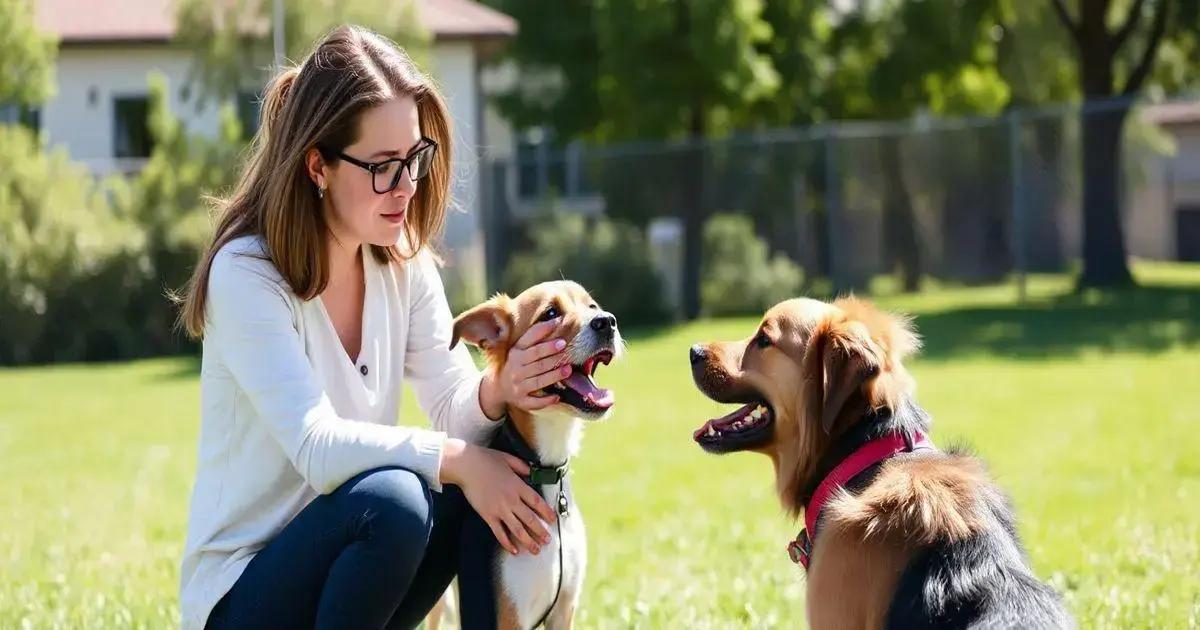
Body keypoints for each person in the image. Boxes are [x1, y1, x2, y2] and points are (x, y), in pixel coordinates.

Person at [175, 25, 570, 629]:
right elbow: (316, 445)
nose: (408, 187)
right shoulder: (247, 272)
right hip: (241, 597)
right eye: (383, 167)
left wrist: (501, 387)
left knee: (475, 487)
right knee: (398, 501)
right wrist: (458, 460)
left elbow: (452, 403)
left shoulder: (400, 258)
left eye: (415, 158)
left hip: (350, 578)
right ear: (318, 167)